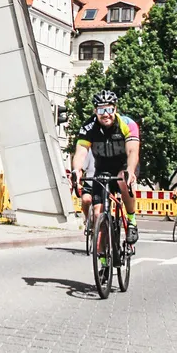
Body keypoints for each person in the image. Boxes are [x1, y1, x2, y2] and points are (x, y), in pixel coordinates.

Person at [70, 90, 140, 244]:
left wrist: (130, 170)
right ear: (95, 111)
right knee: (97, 214)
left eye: (109, 109)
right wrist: (77, 170)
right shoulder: (88, 127)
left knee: (123, 180)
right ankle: (102, 261)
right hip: (102, 169)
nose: (105, 114)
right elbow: (81, 153)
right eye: (101, 110)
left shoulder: (127, 124)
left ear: (115, 109)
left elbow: (132, 151)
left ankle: (131, 220)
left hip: (124, 165)